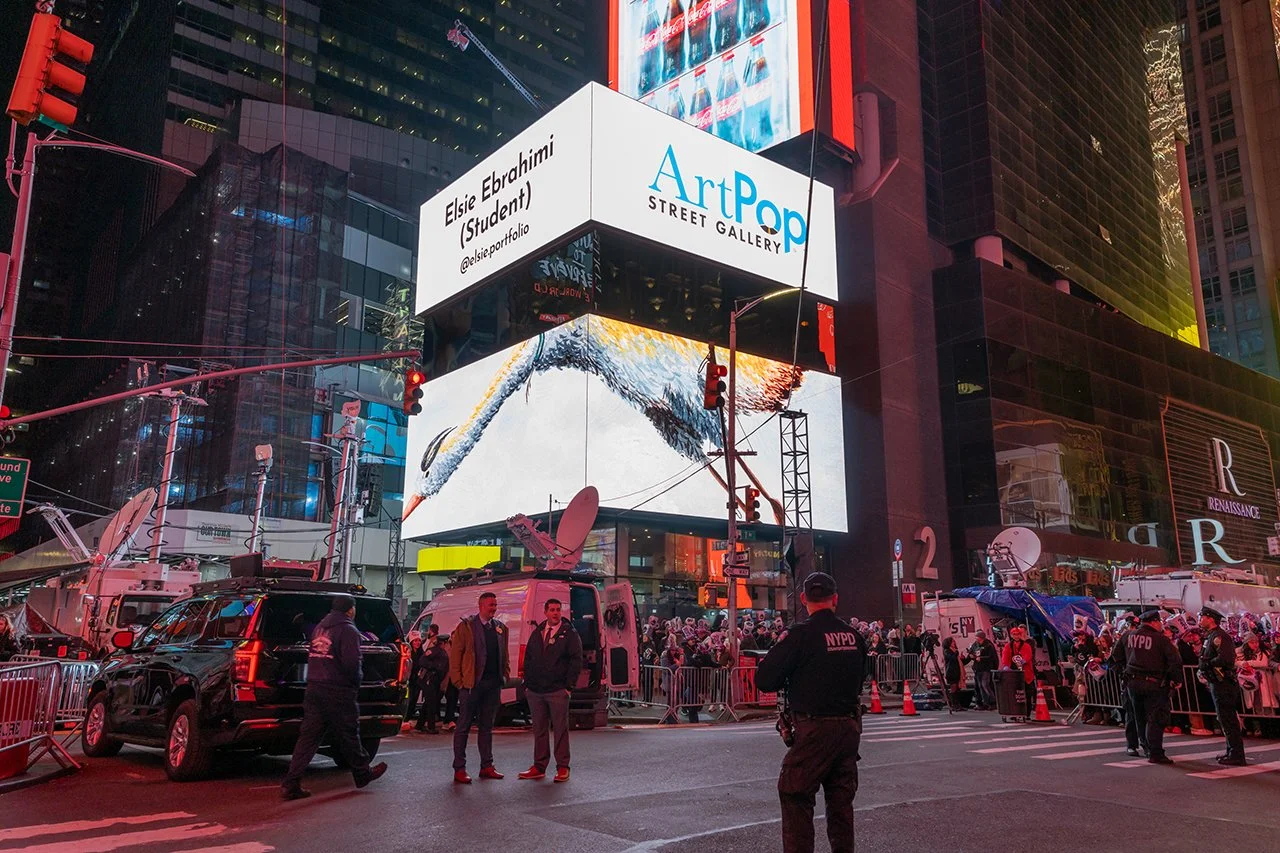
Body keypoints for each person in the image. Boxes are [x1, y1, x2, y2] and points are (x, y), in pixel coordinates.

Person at [757, 572, 866, 853]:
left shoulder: (800, 635)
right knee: (841, 806)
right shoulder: (854, 636)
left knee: (795, 794)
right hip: (848, 729)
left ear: (804, 598)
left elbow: (765, 679)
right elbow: (862, 678)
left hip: (813, 728)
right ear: (835, 599)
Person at [281, 594, 388, 800]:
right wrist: (356, 683)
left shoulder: (320, 627)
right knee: (349, 733)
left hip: (315, 688)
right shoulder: (348, 630)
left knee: (308, 738)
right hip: (338, 690)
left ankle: (291, 783)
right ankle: (362, 773)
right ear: (350, 610)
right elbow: (352, 663)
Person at [518, 599, 583, 783]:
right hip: (536, 691)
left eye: (558, 610)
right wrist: (527, 684)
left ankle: (562, 767)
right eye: (552, 610)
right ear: (545, 612)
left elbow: (576, 660)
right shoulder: (538, 632)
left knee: (560, 730)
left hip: (557, 690)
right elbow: (528, 658)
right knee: (539, 730)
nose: (555, 613)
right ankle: (539, 766)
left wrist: (568, 687)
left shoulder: (569, 634)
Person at [449, 591, 510, 784]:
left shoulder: (500, 628)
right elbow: (456, 655)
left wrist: (505, 676)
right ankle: (459, 768)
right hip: (471, 686)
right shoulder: (466, 627)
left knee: (487, 728)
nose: (494, 608)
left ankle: (487, 766)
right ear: (481, 606)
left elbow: (504, 655)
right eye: (491, 605)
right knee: (463, 727)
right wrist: (459, 681)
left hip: (492, 685)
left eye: (495, 605)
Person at [1117, 610, 1182, 764]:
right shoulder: (1160, 639)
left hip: (1132, 683)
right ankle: (1155, 752)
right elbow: (1175, 661)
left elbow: (1116, 657)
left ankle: (1146, 747)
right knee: (1155, 718)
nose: (1161, 625)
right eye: (1159, 622)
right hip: (1154, 684)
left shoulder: (1127, 635)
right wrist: (1175, 680)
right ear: (1153, 622)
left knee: (1139, 717)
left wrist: (1124, 672)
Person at [1199, 607, 1246, 766]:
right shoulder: (1211, 636)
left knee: (1228, 719)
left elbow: (1226, 658)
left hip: (1223, 683)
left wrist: (1207, 663)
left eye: (1202, 617)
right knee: (1224, 719)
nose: (1200, 620)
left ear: (1210, 619)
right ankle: (1231, 750)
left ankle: (1236, 754)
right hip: (1217, 683)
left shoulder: (1220, 636)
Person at [414, 631, 450, 733]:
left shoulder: (438, 651)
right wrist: (433, 667)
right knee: (431, 704)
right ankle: (431, 727)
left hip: (433, 681)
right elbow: (422, 661)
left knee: (428, 703)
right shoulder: (436, 651)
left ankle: (420, 725)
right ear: (443, 643)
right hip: (429, 680)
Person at [1000, 625, 1037, 718]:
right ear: (1011, 635)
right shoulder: (1008, 646)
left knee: (1027, 694)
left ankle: (1027, 713)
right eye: (1014, 634)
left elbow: (1028, 656)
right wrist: (1006, 666)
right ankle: (1014, 712)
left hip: (1026, 673)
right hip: (1013, 673)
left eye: (1018, 634)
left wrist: (1023, 661)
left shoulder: (1026, 645)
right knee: (1014, 694)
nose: (1016, 636)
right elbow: (1005, 657)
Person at [965, 630, 998, 711]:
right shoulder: (975, 645)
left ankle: (992, 702)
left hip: (986, 668)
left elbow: (991, 657)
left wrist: (982, 658)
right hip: (977, 668)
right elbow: (970, 654)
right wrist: (967, 658)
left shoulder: (988, 645)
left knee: (985, 685)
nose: (976, 639)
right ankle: (984, 703)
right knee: (979, 686)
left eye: (977, 637)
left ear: (981, 638)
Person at [404, 633, 426, 723]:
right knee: (408, 699)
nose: (418, 643)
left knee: (414, 699)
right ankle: (405, 718)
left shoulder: (422, 653)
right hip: (409, 680)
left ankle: (408, 717)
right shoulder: (408, 652)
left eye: (419, 640)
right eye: (415, 641)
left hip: (417, 681)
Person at [942, 636, 965, 709]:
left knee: (957, 689)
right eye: (952, 641)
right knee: (953, 688)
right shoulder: (947, 651)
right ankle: (953, 704)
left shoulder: (955, 651)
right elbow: (952, 658)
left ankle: (957, 704)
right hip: (951, 672)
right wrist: (956, 653)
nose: (954, 643)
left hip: (956, 671)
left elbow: (958, 661)